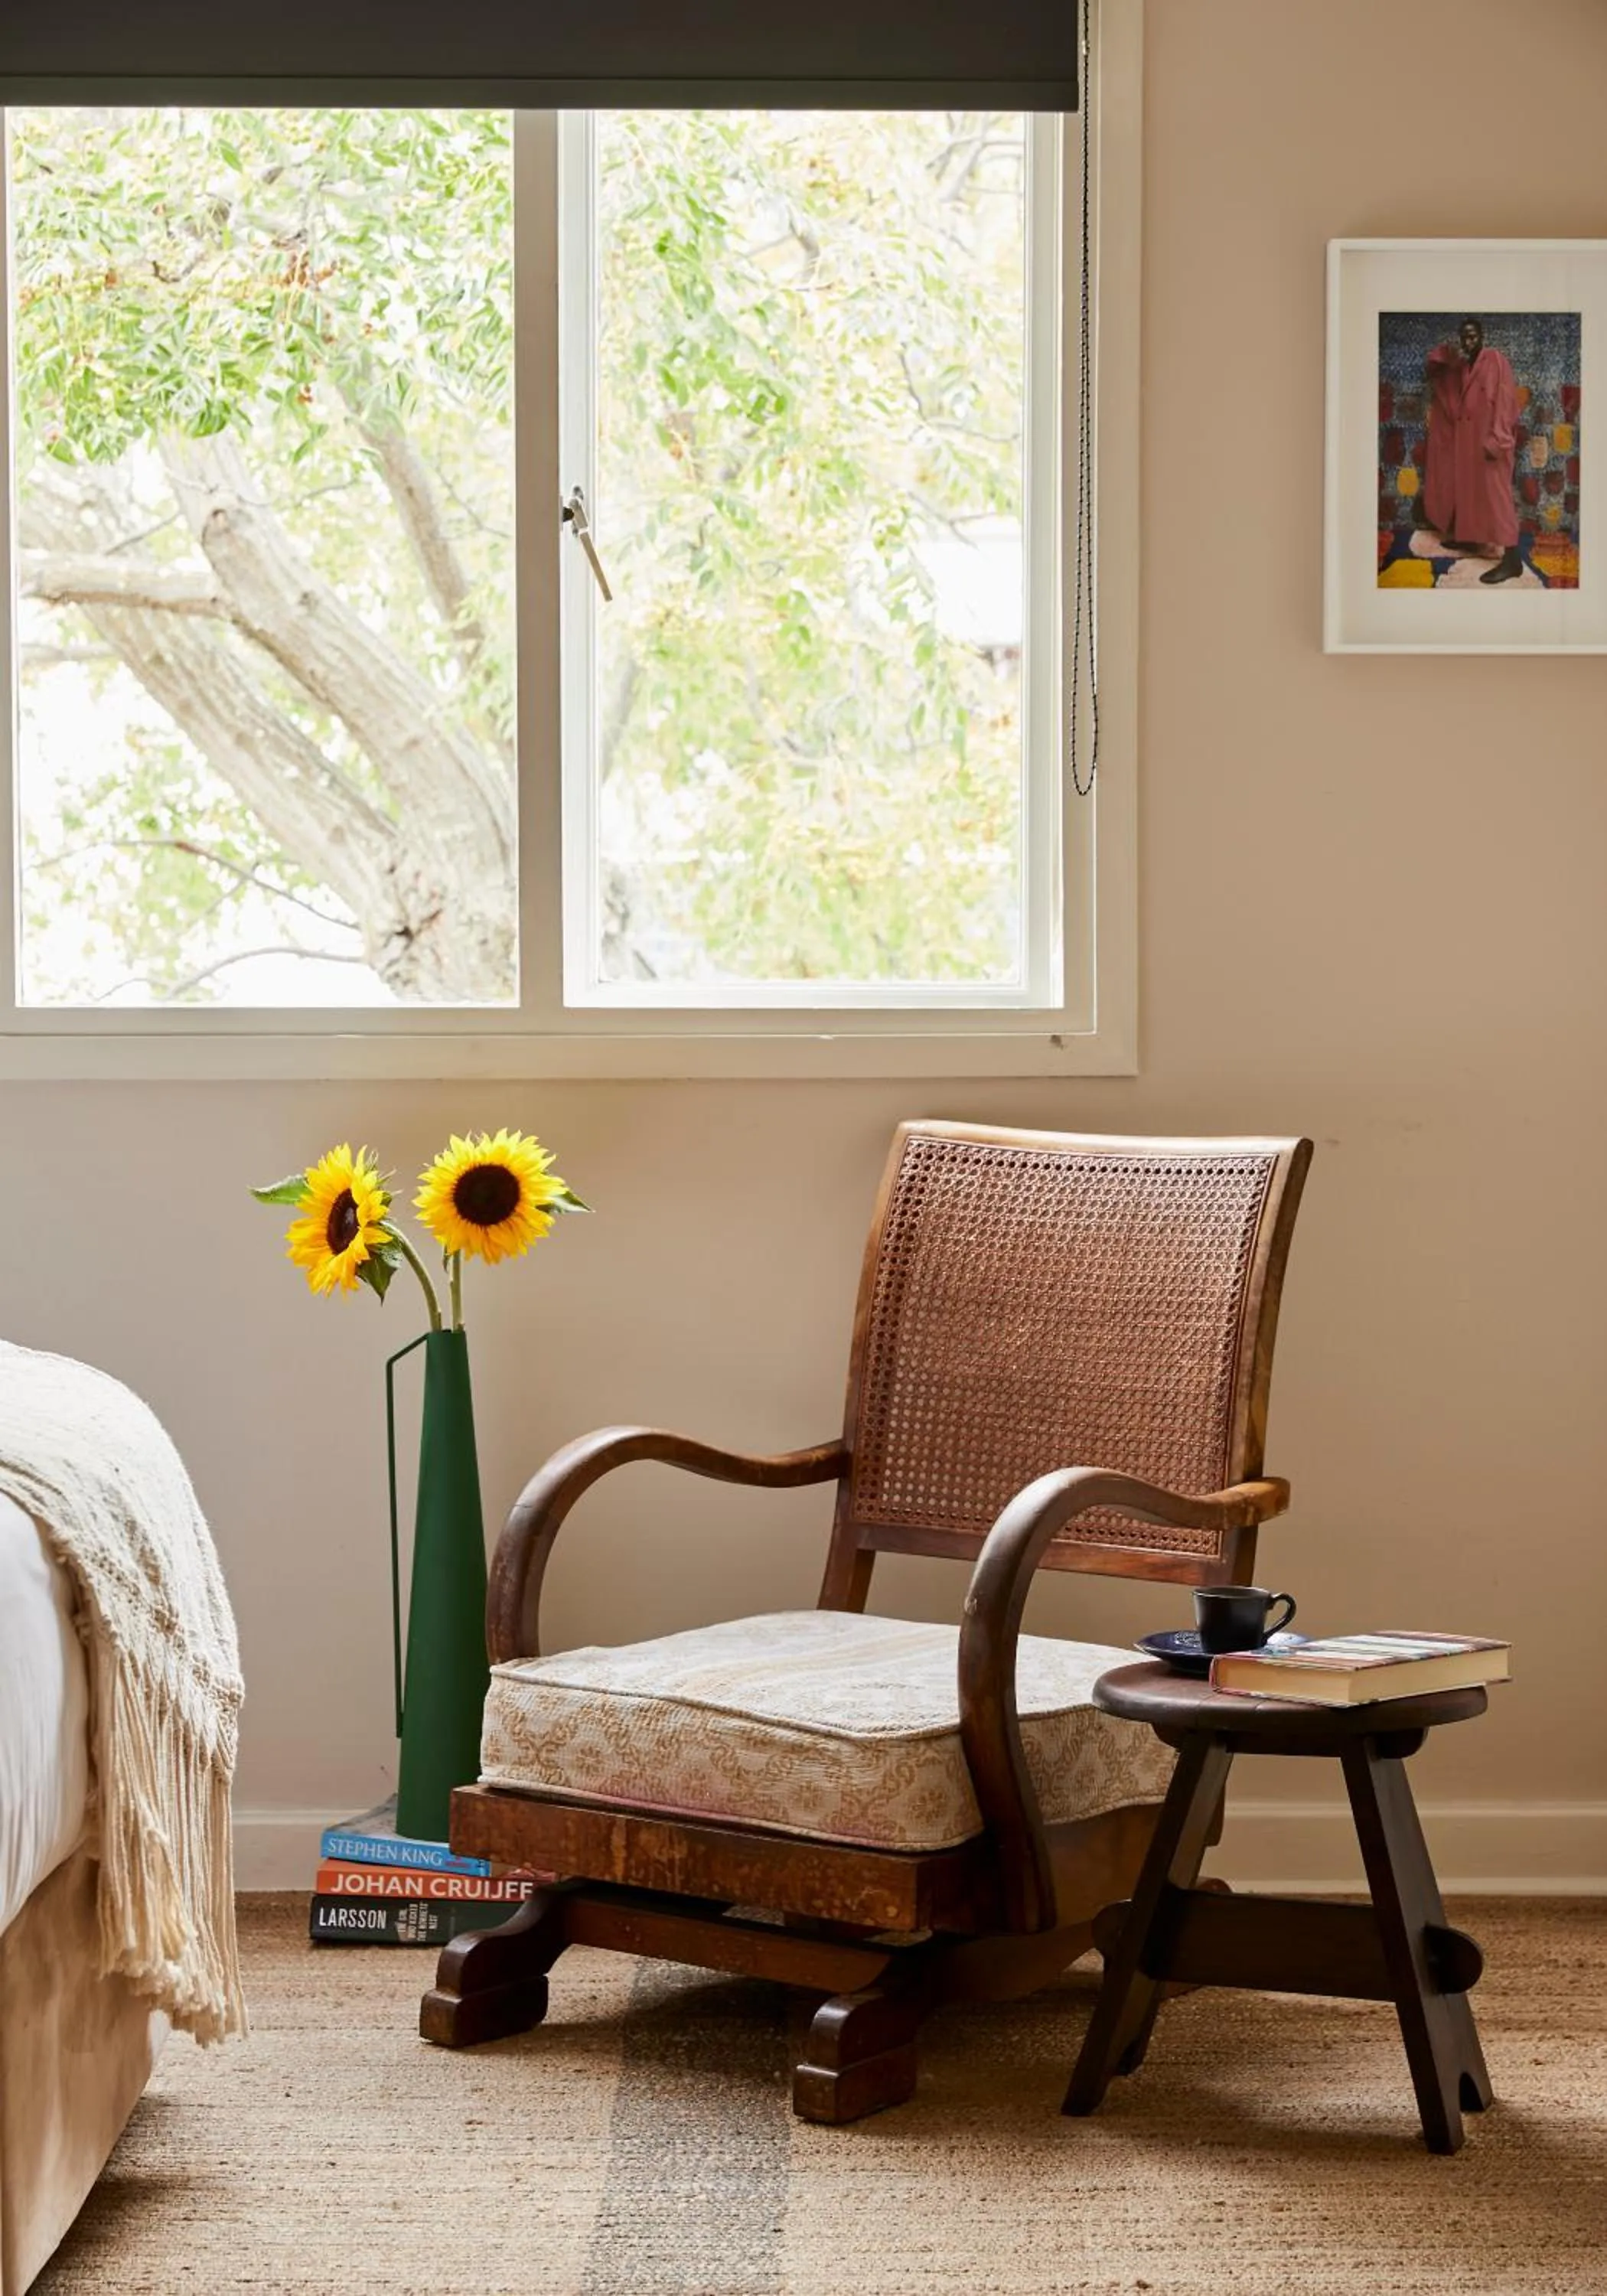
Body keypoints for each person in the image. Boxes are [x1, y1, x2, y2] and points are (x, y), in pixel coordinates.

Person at [1433, 318, 1523, 585]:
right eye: (1464, 338)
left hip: (1493, 444)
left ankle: (1513, 560)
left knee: (1498, 500)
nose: (1468, 342)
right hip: (1471, 447)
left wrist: (1499, 440)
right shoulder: (1463, 368)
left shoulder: (1495, 360)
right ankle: (1473, 540)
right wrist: (1445, 358)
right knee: (1471, 496)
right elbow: (1438, 371)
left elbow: (1507, 401)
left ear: (1483, 337)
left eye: (1472, 336)